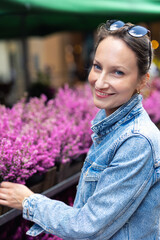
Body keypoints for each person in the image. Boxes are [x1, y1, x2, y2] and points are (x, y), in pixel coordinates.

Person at [0, 19, 160, 240]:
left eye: (118, 73)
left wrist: (29, 201)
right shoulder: (109, 126)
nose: (100, 82)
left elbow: (88, 226)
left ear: (142, 81)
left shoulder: (136, 140)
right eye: (97, 66)